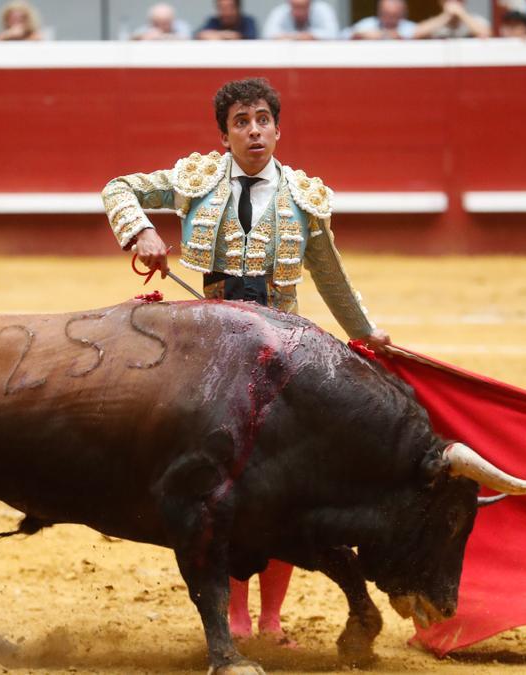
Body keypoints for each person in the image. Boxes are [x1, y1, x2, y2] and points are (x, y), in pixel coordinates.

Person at [101, 78, 390, 642]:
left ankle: (273, 617)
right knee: (221, 488)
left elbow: (330, 276)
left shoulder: (305, 199)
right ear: (224, 134)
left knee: (283, 487)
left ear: (278, 129)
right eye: (241, 121)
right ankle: (235, 615)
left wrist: (366, 333)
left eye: (263, 119)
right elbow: (118, 187)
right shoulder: (196, 183)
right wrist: (141, 232)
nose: (254, 129)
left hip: (280, 355)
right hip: (207, 356)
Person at [261, 0, 339, 41]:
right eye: (295, 7)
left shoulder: (322, 9)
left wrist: (312, 36)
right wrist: (299, 37)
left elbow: (333, 34)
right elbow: (267, 34)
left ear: (310, 4)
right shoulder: (280, 11)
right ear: (289, 4)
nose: (299, 12)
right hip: (286, 58)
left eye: (303, 7)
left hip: (319, 57)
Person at [342, 0, 417, 40]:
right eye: (386, 14)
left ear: (403, 14)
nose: (390, 19)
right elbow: (343, 35)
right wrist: (359, 34)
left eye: (394, 15)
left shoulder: (410, 27)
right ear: (379, 12)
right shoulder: (369, 24)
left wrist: (385, 35)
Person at [415, 0, 491, 39]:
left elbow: (488, 33)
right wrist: (445, 17)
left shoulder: (475, 20)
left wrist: (462, 14)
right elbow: (415, 33)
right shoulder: (434, 23)